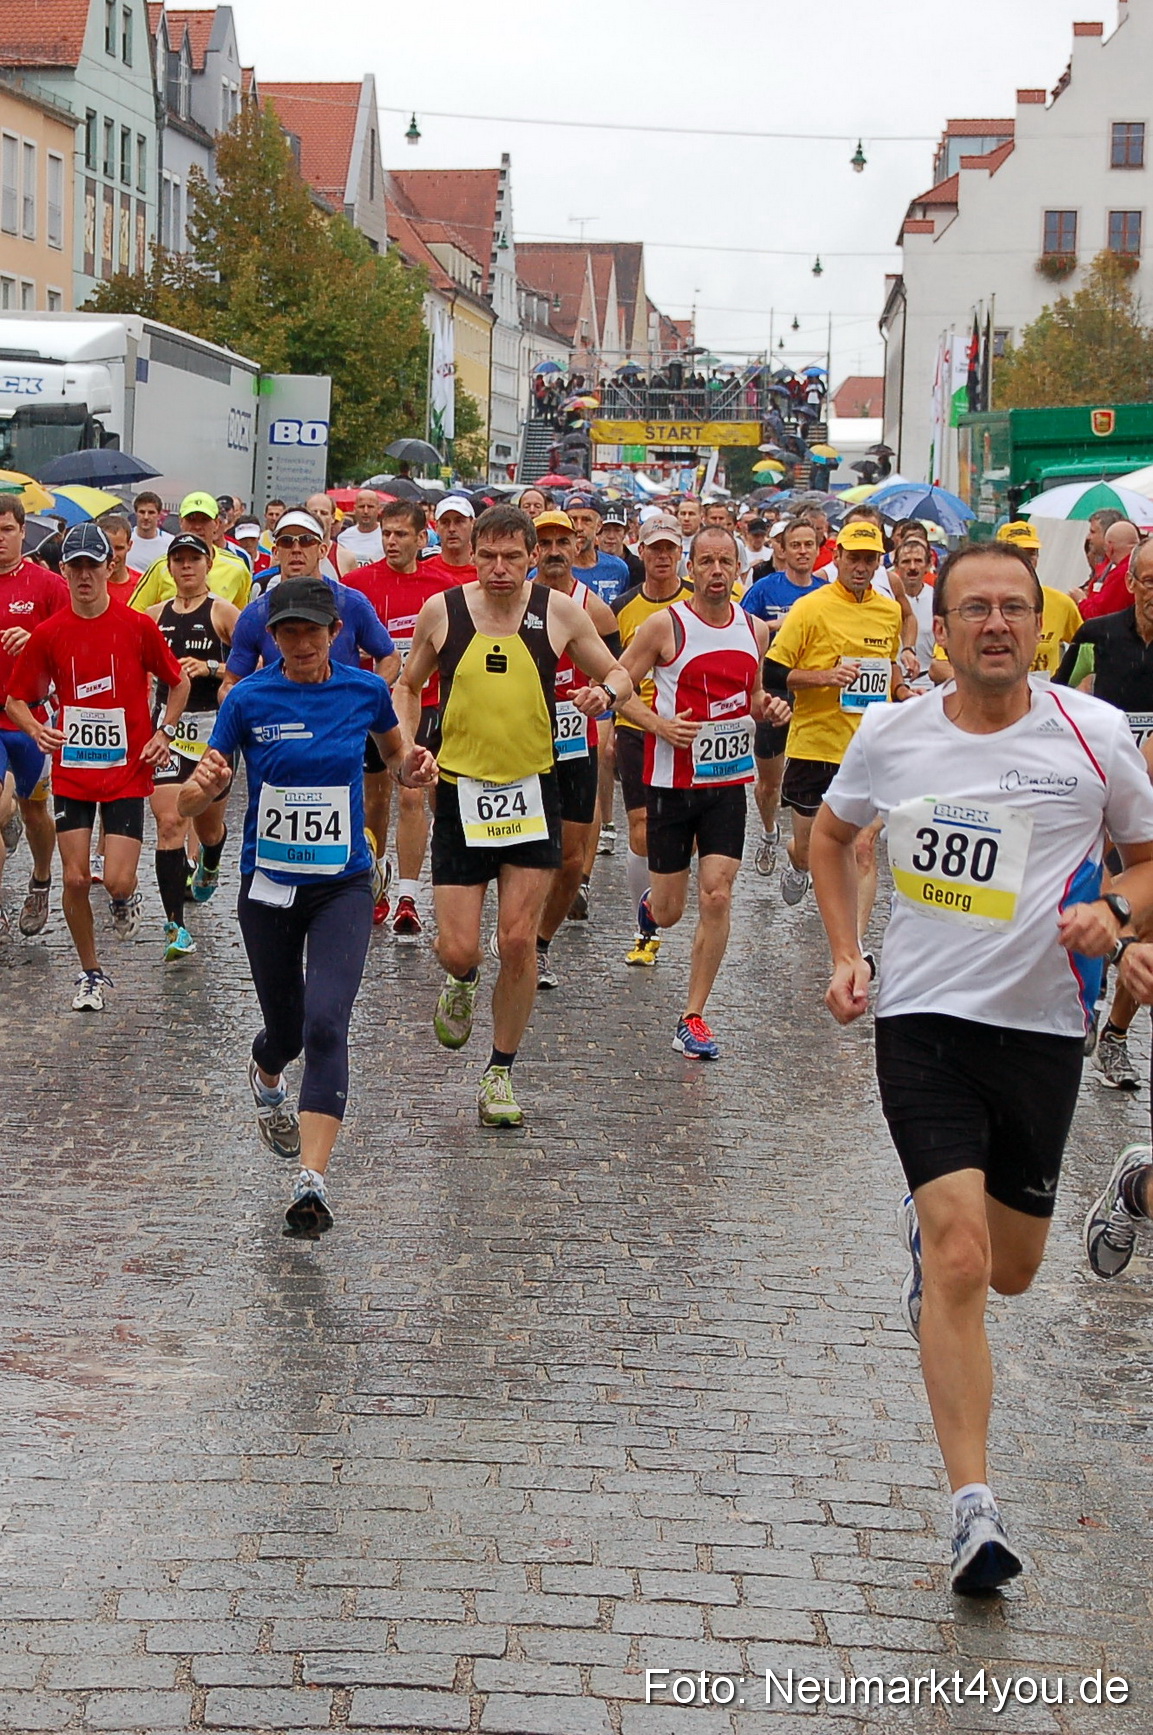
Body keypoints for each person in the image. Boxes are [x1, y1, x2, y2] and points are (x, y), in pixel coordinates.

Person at [811, 538, 1153, 1595]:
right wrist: (845, 952)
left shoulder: (1092, 733)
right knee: (959, 1260)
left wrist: (1116, 911)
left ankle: (1111, 1190)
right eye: (974, 608)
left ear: (1039, 626)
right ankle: (974, 1508)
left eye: (1013, 606)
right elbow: (829, 838)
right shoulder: (891, 733)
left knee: (1011, 1268)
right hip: (921, 1022)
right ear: (942, 628)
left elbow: (1147, 858)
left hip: (1042, 1028)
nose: (995, 623)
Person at [178, 577, 435, 1237]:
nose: (299, 643)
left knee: (326, 1023)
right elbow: (193, 797)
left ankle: (311, 1181)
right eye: (286, 631)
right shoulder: (249, 698)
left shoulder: (365, 690)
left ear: (334, 631)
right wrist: (200, 790)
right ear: (271, 636)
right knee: (287, 1031)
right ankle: (267, 1073)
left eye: (311, 631)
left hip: (341, 885)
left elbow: (395, 757)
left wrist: (413, 769)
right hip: (267, 886)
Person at [395, 504, 631, 1129]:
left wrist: (605, 693)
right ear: (472, 556)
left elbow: (618, 671)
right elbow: (407, 684)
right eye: (488, 556)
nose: (499, 568)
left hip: (531, 792)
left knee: (519, 940)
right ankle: (463, 980)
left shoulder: (559, 612)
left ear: (531, 558)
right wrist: (408, 745)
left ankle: (500, 1071)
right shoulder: (442, 612)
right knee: (458, 948)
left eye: (511, 557)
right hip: (460, 793)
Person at [5, 523, 190, 1010]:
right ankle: (90, 973)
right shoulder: (49, 633)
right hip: (73, 770)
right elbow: (16, 699)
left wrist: (164, 732)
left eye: (93, 565)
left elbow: (178, 683)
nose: (84, 575)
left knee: (117, 880)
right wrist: (36, 730)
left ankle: (126, 898)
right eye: (75, 567)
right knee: (74, 878)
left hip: (127, 771)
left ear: (110, 567)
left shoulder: (137, 626)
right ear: (64, 571)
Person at [619, 526, 788, 1057]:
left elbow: (752, 694)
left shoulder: (754, 629)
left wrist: (769, 707)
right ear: (691, 567)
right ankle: (652, 907)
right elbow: (618, 688)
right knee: (671, 910)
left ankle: (692, 1016)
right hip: (671, 783)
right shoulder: (663, 626)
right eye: (707, 561)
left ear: (739, 570)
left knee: (717, 892)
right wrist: (659, 725)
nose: (716, 571)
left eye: (725, 562)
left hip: (726, 784)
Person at [765, 520, 906, 929]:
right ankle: (797, 861)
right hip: (816, 744)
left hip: (867, 748)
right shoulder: (810, 607)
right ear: (837, 557)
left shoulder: (889, 611)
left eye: (869, 560)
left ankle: (853, 948)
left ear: (879, 563)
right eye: (854, 558)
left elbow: (890, 666)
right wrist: (826, 676)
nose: (861, 567)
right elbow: (773, 672)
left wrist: (902, 692)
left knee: (861, 847)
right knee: (812, 847)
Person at [1054, 534, 1153, 1089]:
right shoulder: (1097, 635)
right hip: (1098, 797)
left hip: (1150, 806)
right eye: (1150, 580)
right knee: (1105, 903)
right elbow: (1054, 701)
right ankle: (1085, 1002)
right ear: (1131, 582)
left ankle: (1115, 1032)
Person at [344, 499, 450, 936]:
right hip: (372, 707)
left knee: (412, 794)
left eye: (401, 534)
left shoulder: (441, 588)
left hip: (425, 703)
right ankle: (377, 881)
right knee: (374, 800)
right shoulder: (357, 585)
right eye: (386, 533)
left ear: (422, 538)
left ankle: (408, 896)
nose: (391, 541)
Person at [530, 509, 622, 984]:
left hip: (575, 741)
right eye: (544, 543)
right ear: (533, 551)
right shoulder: (513, 600)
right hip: (521, 743)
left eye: (561, 542)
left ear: (577, 546)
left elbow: (617, 672)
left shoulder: (596, 609)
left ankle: (542, 941)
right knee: (520, 850)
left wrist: (604, 696)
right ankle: (521, 938)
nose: (553, 552)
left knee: (569, 859)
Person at [146, 533, 240, 957]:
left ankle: (212, 857)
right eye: (179, 560)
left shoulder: (223, 613)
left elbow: (257, 663)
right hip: (168, 730)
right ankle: (175, 926)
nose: (186, 566)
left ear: (208, 565)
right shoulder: (154, 616)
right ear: (169, 568)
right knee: (169, 822)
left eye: (194, 559)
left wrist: (211, 667)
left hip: (212, 731)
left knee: (207, 826)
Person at [612, 513, 693, 965]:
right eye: (654, 549)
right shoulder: (623, 607)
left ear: (680, 554)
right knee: (641, 826)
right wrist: (608, 725)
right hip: (636, 728)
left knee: (686, 833)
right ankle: (644, 928)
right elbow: (612, 674)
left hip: (688, 730)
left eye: (670, 549)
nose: (662, 557)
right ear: (640, 552)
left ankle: (667, 888)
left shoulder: (699, 601)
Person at [220, 510, 394, 699]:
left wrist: (365, 700)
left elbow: (390, 657)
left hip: (341, 712)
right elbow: (230, 684)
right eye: (287, 541)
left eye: (306, 540)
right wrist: (252, 710)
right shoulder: (256, 614)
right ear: (276, 552)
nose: (296, 549)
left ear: (322, 550)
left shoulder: (351, 604)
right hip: (282, 712)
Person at [0, 493, 68, 941]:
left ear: (23, 532)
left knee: (35, 811)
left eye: (7, 530)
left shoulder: (46, 585)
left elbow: (75, 638)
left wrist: (38, 637)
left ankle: (41, 879)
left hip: (32, 719)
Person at [741, 518, 826, 875]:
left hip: (814, 693)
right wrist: (777, 625)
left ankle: (804, 851)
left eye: (809, 545)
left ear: (818, 550)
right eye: (796, 545)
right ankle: (769, 831)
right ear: (782, 550)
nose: (803, 551)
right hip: (773, 690)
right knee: (770, 782)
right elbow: (740, 627)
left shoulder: (826, 592)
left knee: (813, 782)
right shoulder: (765, 589)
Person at [130, 494, 252, 610]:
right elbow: (134, 613)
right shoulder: (161, 567)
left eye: (204, 520)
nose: (197, 526)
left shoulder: (237, 569)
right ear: (181, 522)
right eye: (191, 520)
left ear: (216, 524)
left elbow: (243, 618)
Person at [564, 492, 630, 604]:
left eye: (586, 520)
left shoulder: (618, 568)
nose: (579, 527)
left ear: (599, 526)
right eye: (573, 520)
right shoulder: (548, 571)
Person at [1080, 519, 1141, 620]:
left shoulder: (1123, 573)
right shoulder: (1140, 564)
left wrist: (1080, 600)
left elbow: (1098, 615)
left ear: (1110, 547)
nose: (1089, 537)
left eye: (1093, 532)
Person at [419, 496, 478, 587]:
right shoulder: (423, 571)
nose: (451, 529)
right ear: (436, 527)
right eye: (445, 522)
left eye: (459, 521)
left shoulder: (484, 572)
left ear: (473, 524)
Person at [334, 489, 385, 574]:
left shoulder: (388, 535)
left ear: (378, 509)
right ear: (354, 509)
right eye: (361, 507)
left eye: (370, 507)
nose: (366, 511)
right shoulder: (343, 538)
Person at [97, 512, 142, 602]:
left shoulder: (142, 585)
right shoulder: (88, 584)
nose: (113, 555)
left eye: (119, 548)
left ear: (129, 545)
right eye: (108, 548)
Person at [597, 501, 643, 587]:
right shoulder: (584, 565)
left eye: (617, 530)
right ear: (597, 531)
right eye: (606, 530)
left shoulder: (639, 568)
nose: (611, 536)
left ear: (625, 533)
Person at [128, 491, 173, 570]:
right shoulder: (125, 538)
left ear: (159, 515)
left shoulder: (170, 542)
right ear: (136, 513)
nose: (146, 517)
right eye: (142, 512)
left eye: (151, 513)